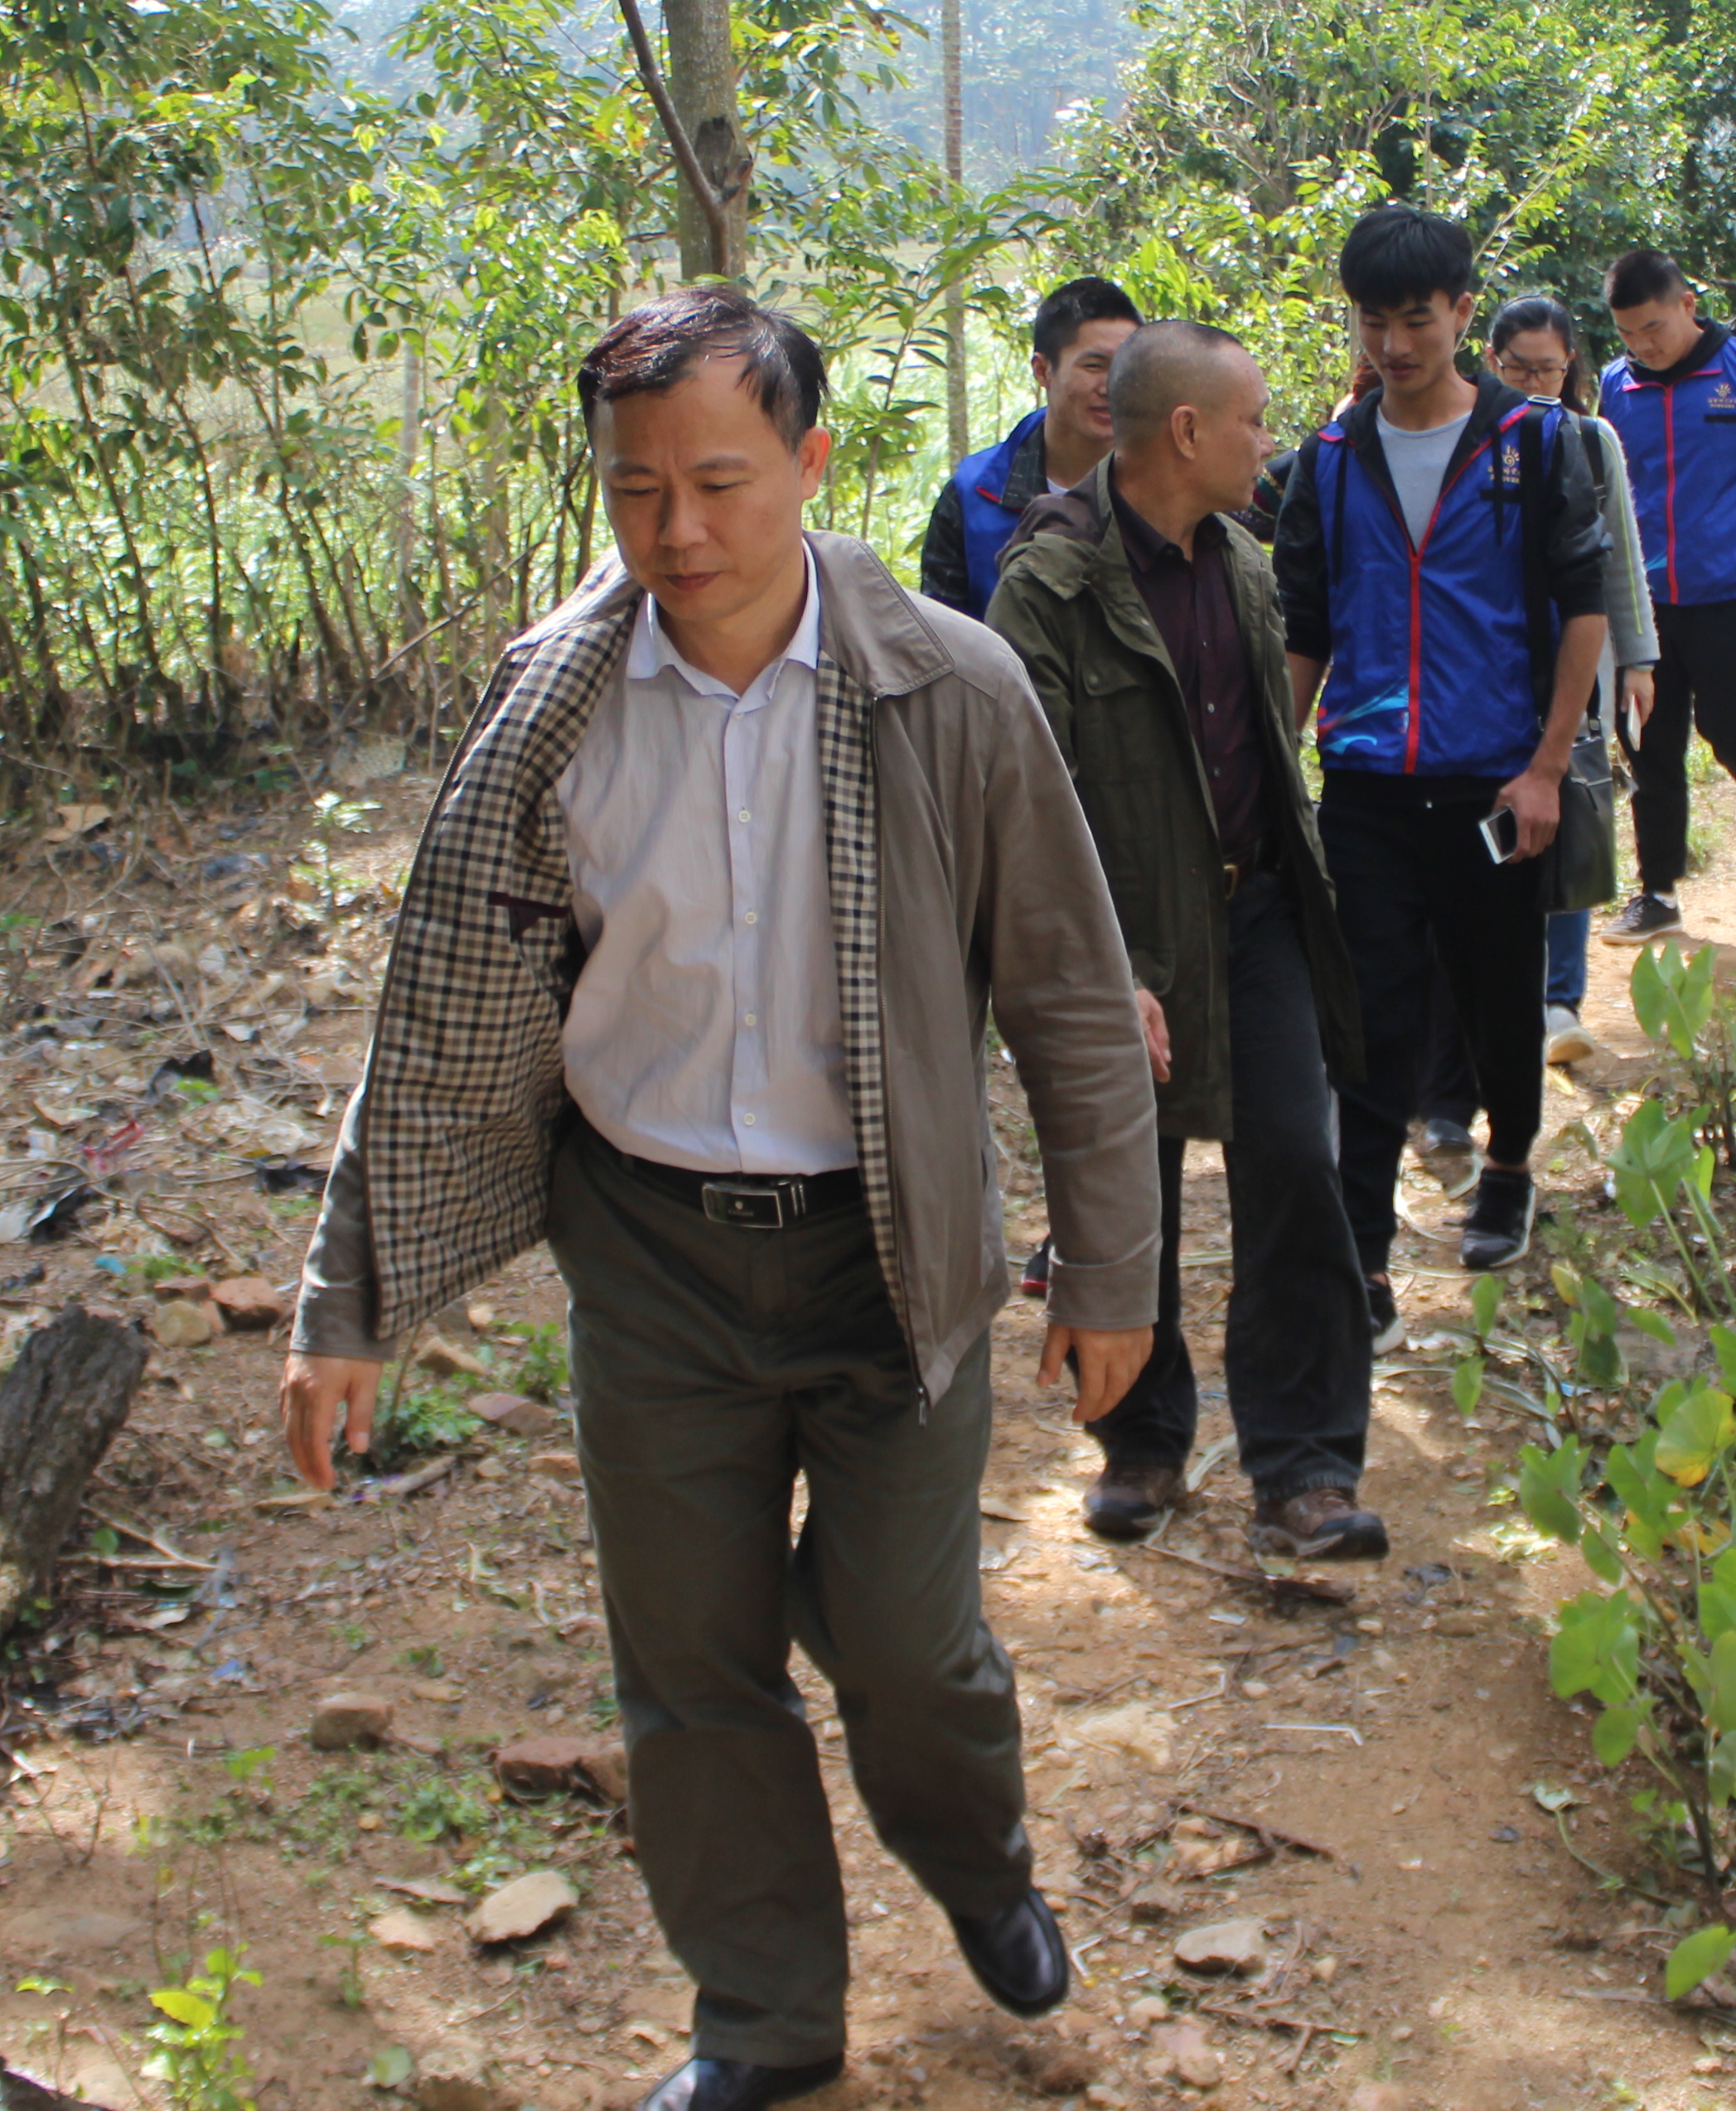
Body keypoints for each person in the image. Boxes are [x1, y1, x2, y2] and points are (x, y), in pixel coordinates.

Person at [279, 288, 1162, 2111]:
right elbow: (444, 1015)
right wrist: (345, 1299)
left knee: (906, 1645)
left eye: (718, 482)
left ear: (811, 464)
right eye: (635, 489)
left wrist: (1111, 1268)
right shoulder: (554, 710)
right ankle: (762, 2018)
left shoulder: (950, 690)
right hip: (653, 1256)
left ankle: (976, 1859)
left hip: (888, 1252)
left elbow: (1072, 997)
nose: (675, 530)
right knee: (691, 1671)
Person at [986, 319, 1384, 1561]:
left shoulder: (1246, 566)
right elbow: (1022, 799)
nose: (1269, 442)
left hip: (1254, 916)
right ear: (1187, 430)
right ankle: (1141, 1444)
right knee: (1128, 1190)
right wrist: (1099, 968)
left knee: (1297, 1172)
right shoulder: (1046, 587)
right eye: (1254, 421)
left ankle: (1307, 1466)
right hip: (1124, 939)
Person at [1278, 206, 1610, 1294]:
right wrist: (1276, 762)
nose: (1394, 346)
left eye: (1417, 320)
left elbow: (1585, 607)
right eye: (1373, 323)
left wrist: (1547, 768)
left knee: (1498, 999)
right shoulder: (1331, 459)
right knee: (1369, 1018)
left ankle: (1507, 1168)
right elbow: (1305, 626)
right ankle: (1363, 1256)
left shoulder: (1537, 444)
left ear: (1464, 313)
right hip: (1367, 786)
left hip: (1494, 784)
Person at [1596, 246, 1736, 940]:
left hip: (1730, 594)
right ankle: (1658, 891)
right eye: (1628, 333)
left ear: (1688, 305)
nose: (1643, 345)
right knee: (1649, 746)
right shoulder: (1615, 387)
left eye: (1654, 328)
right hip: (1642, 605)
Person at [1482, 297, 1656, 1065]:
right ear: (1490, 362)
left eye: (1547, 369)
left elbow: (1621, 557)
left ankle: (1560, 1002)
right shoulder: (1469, 437)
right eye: (1517, 369)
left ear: (1571, 368)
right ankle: (1500, 995)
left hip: (1576, 667)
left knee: (1570, 818)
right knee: (1493, 831)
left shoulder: (1590, 440)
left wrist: (1639, 659)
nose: (1532, 384)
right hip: (1486, 672)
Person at [919, 275, 1140, 613]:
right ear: (1042, 371)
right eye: (1094, 366)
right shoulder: (973, 494)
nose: (1111, 386)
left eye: (1127, 368)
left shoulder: (1172, 485)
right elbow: (939, 630)